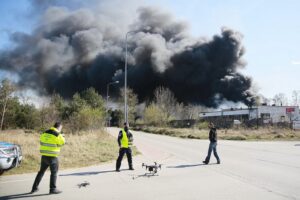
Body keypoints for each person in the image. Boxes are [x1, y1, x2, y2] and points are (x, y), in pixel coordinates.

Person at [31, 122, 65, 194]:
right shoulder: (57, 134)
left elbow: (41, 142)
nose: (61, 129)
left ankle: (34, 188)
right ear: (59, 127)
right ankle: (52, 189)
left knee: (41, 172)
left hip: (44, 156)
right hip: (52, 156)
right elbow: (63, 142)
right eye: (61, 128)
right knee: (54, 173)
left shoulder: (45, 132)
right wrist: (61, 136)